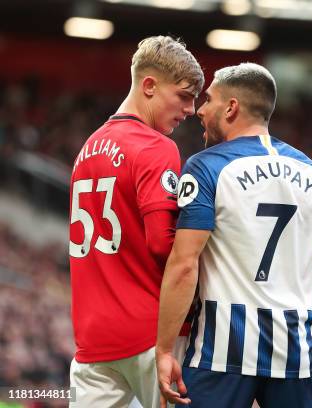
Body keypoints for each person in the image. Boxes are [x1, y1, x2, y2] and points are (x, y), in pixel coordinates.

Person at [155, 62, 312, 408]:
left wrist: (165, 349)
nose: (199, 109)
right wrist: (308, 353)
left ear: (231, 108)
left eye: (209, 100)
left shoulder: (206, 167)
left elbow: (185, 265)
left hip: (219, 355)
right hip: (296, 355)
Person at [68, 36, 204, 407]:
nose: (191, 109)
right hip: (151, 333)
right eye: (184, 96)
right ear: (149, 86)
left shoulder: (87, 150)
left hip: (93, 339)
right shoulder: (155, 146)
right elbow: (163, 243)